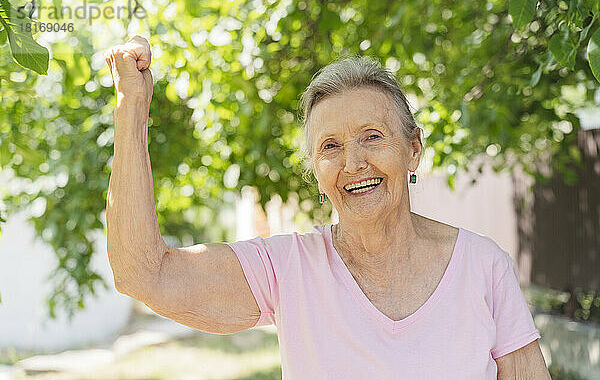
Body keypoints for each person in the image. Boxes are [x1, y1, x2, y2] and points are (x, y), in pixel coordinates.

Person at [104, 35, 552, 379]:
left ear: (413, 149)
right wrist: (132, 106)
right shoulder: (287, 270)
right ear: (317, 173)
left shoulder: (483, 265)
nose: (353, 163)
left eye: (372, 137)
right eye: (330, 146)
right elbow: (143, 273)